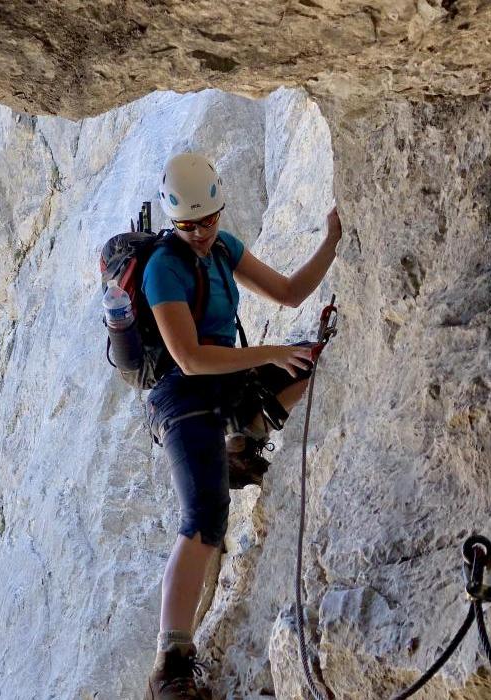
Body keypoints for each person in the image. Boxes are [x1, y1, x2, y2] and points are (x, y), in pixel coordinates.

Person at [142, 152, 342, 699]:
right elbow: (188, 359)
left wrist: (332, 239)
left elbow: (289, 293)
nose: (202, 234)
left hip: (225, 382)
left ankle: (243, 438)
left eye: (209, 220)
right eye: (189, 225)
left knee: (314, 358)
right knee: (205, 517)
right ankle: (172, 665)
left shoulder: (223, 247)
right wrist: (271, 354)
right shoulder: (164, 267)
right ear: (172, 220)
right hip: (182, 395)